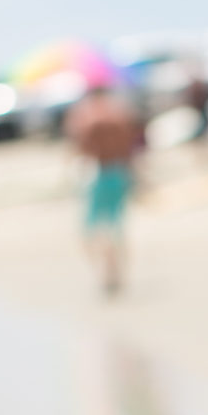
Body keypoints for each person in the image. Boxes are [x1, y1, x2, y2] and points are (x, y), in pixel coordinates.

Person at [64, 86, 143, 295]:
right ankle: (118, 273)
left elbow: (80, 147)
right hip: (119, 172)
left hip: (99, 172)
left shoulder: (87, 117)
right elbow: (131, 145)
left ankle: (106, 272)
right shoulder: (118, 115)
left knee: (93, 228)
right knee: (117, 225)